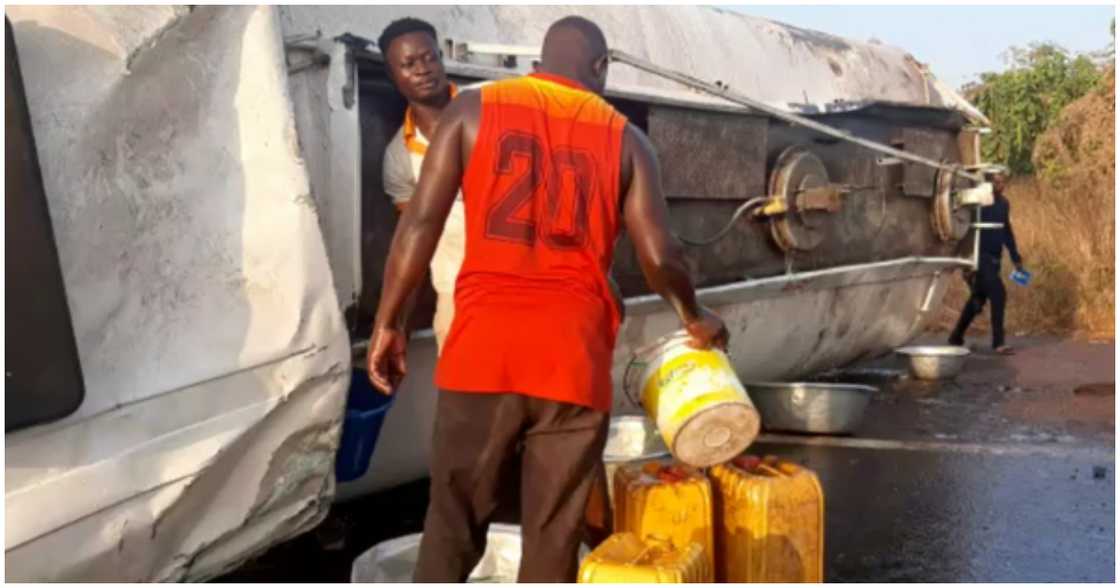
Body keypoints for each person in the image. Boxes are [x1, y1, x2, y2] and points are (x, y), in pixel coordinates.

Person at [366, 15, 728, 582]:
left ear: (539, 61)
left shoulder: (470, 112)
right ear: (601, 68)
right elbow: (661, 256)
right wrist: (694, 315)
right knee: (553, 536)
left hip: (482, 351)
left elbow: (418, 228)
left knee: (452, 524)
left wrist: (388, 323)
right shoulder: (628, 140)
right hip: (572, 359)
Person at [378, 17, 465, 352]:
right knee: (468, 403)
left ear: (441, 59)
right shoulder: (399, 157)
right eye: (409, 64)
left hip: (527, 288)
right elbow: (414, 243)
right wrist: (398, 324)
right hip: (458, 302)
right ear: (393, 76)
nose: (423, 70)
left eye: (429, 58)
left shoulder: (490, 111)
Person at [949, 167, 1026, 355]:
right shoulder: (977, 202)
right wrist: (964, 261)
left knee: (978, 299)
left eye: (1003, 182)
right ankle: (998, 343)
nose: (1001, 185)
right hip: (978, 256)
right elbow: (959, 220)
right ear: (987, 183)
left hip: (994, 258)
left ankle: (956, 336)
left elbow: (1006, 231)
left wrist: (1015, 257)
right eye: (997, 182)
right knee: (999, 294)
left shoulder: (1004, 203)